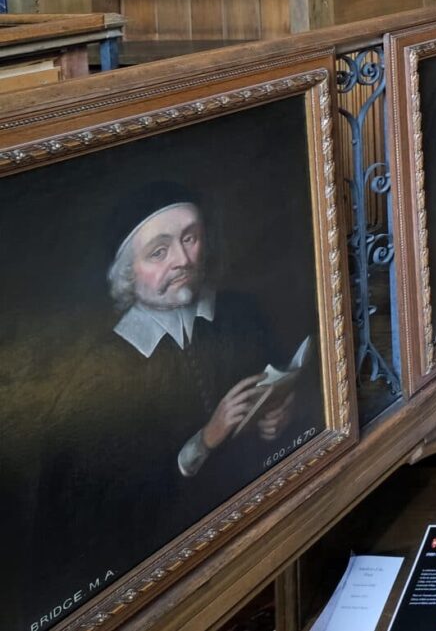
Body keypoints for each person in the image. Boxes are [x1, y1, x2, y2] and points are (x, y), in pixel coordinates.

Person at [34, 183, 317, 605]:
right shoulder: (100, 375)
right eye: (159, 252)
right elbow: (100, 515)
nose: (183, 260)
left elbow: (293, 400)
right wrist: (204, 441)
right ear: (128, 274)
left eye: (190, 238)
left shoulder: (241, 313)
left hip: (264, 532)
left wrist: (280, 414)